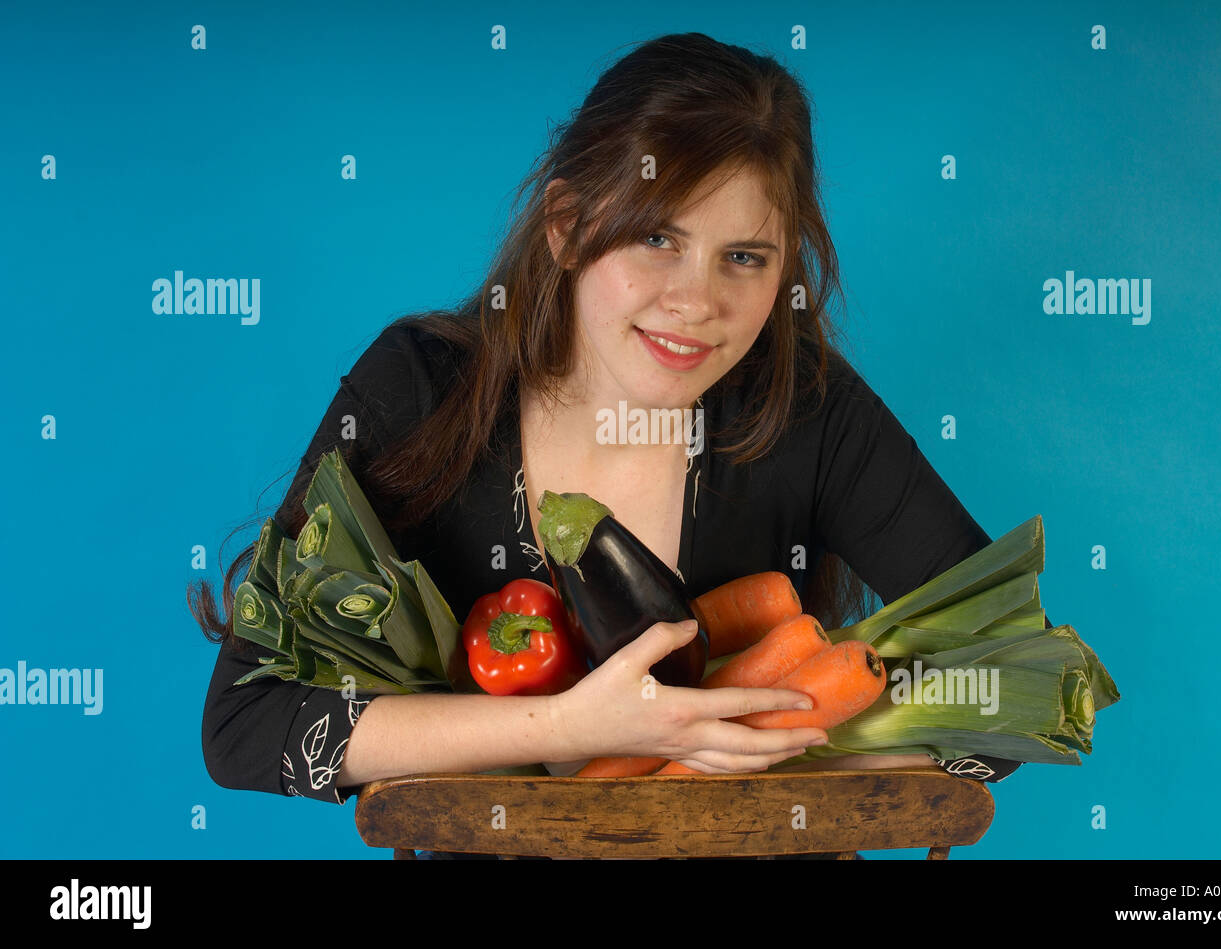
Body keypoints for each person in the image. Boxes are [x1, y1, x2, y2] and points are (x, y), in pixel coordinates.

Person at [192, 31, 1024, 859]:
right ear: (566, 226)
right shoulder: (421, 390)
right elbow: (246, 722)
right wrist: (568, 725)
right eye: (657, 238)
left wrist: (781, 743)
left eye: (743, 256)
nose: (697, 302)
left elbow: (1016, 684)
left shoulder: (806, 406)